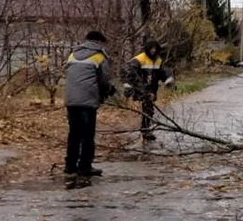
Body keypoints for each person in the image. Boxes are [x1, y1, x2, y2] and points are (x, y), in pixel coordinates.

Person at [63, 30, 115, 187]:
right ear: (99, 42)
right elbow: (104, 81)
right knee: (87, 134)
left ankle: (70, 166)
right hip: (87, 101)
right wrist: (108, 92)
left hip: (71, 101)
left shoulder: (73, 54)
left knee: (74, 133)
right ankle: (85, 166)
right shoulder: (99, 56)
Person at [125, 39, 173, 141]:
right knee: (148, 108)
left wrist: (168, 79)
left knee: (149, 109)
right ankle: (145, 130)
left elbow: (163, 71)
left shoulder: (157, 60)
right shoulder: (139, 59)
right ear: (147, 49)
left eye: (155, 49)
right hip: (141, 88)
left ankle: (145, 129)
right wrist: (132, 88)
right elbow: (130, 74)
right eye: (151, 48)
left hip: (151, 88)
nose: (153, 51)